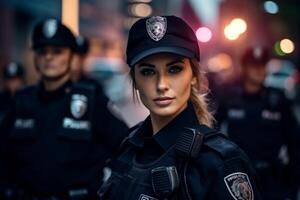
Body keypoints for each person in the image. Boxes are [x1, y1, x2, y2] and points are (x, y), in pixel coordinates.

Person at [98, 15, 262, 200]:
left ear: (193, 76)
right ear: (135, 81)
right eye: (148, 71)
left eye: (174, 69)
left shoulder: (219, 163)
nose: (161, 84)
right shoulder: (129, 146)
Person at [0, 18, 128, 200]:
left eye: (57, 51)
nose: (49, 57)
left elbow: (126, 151)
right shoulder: (21, 101)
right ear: (35, 57)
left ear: (72, 56)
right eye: (42, 51)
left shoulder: (91, 102)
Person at [215, 46, 300, 199]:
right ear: (245, 68)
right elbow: (213, 132)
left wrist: (292, 185)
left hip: (272, 179)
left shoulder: (278, 100)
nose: (259, 70)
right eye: (254, 66)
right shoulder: (229, 98)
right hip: (237, 178)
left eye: (262, 65)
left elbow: (295, 144)